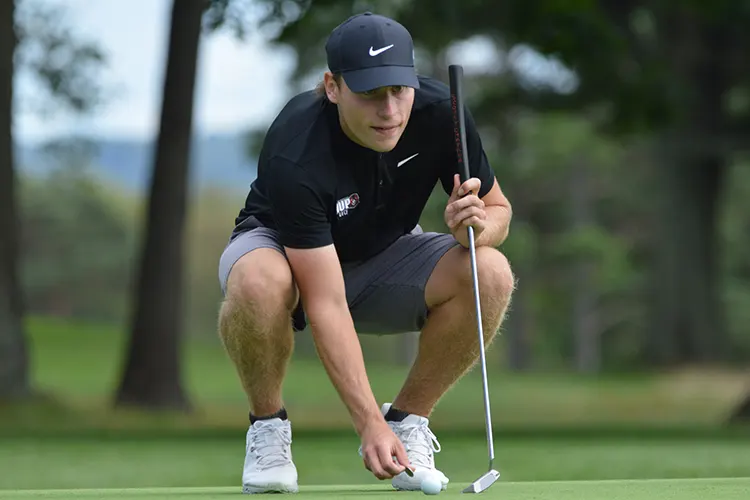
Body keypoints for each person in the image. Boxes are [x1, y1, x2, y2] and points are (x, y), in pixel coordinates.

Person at [217, 11, 515, 495]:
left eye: (399, 90)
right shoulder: (297, 148)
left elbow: (499, 211)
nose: (390, 110)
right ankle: (268, 427)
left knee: (492, 272)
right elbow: (326, 302)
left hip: (386, 251)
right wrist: (364, 423)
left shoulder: (443, 113)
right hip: (285, 255)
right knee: (258, 283)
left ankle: (407, 421)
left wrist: (475, 228)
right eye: (371, 95)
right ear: (332, 87)